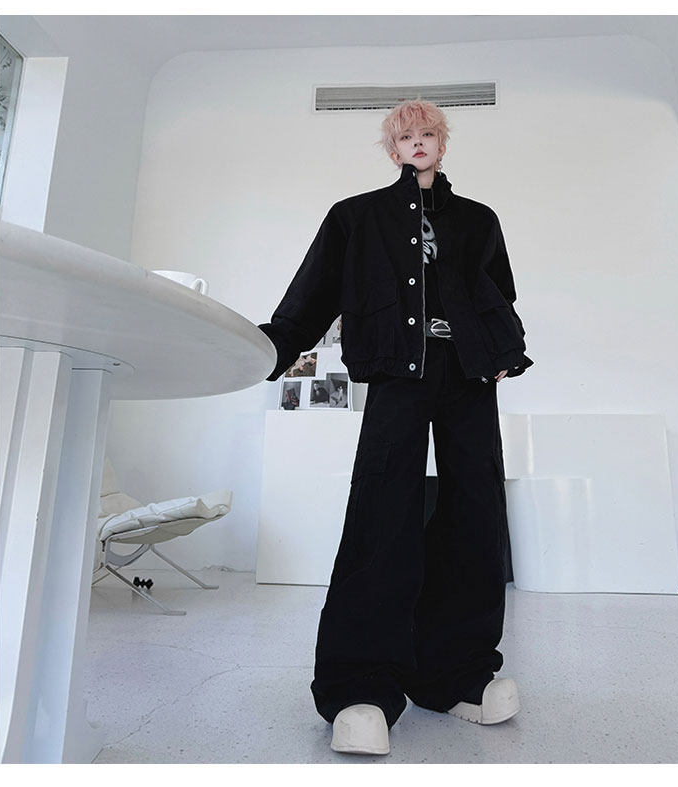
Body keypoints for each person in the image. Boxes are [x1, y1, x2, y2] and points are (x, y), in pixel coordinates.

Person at [258, 99, 533, 755]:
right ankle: (360, 684)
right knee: (383, 514)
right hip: (395, 373)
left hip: (469, 374)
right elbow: (314, 292)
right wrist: (272, 346)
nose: (418, 142)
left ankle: (457, 674)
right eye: (406, 136)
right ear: (392, 150)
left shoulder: (479, 219)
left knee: (477, 514)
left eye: (428, 133)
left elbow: (497, 293)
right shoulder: (356, 217)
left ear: (443, 143)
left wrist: (505, 350)